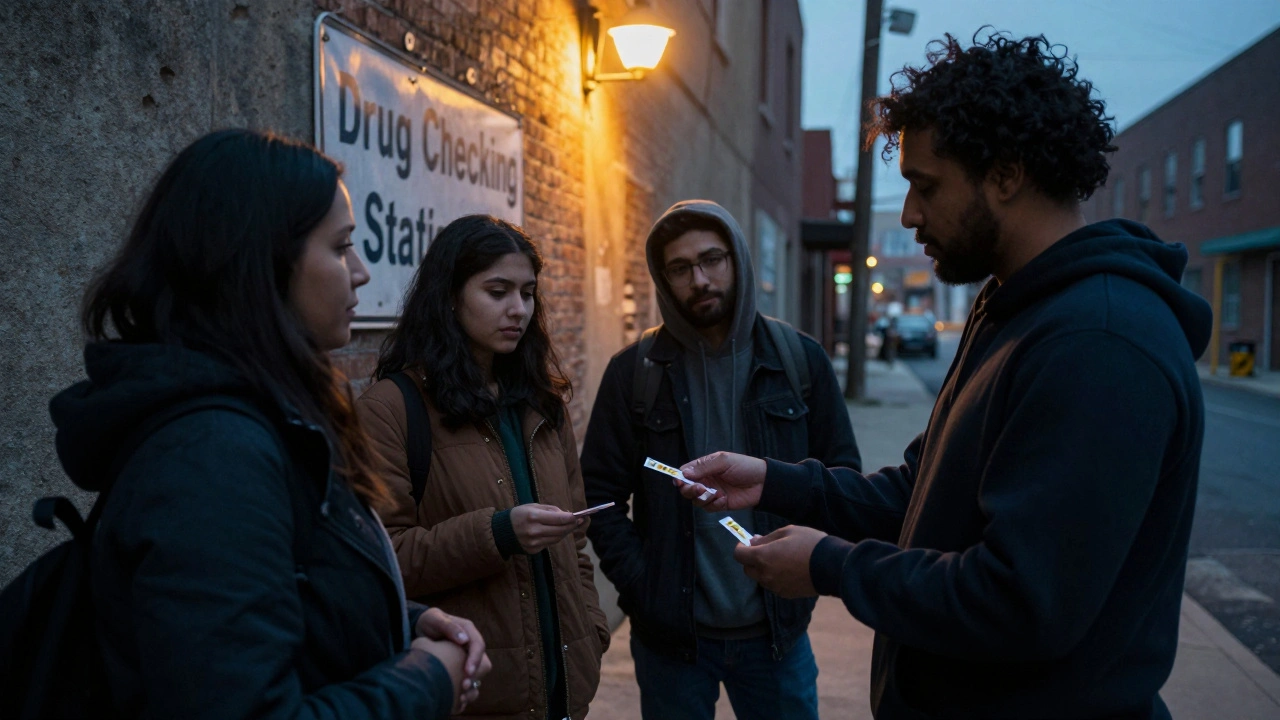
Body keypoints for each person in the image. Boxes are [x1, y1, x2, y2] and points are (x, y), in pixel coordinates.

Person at [673, 32, 1213, 720]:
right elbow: (926, 495)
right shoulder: (1014, 306)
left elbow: (1021, 602)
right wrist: (777, 482)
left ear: (1007, 174)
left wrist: (830, 565)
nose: (909, 215)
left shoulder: (1098, 343)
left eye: (926, 186)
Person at [49, 129, 490, 719]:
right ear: (260, 262)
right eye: (339, 248)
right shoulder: (212, 457)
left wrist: (399, 620)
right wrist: (430, 678)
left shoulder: (260, 418)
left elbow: (274, 599)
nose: (360, 272)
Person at [580, 200, 861, 720]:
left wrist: (807, 576)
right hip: (673, 640)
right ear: (664, 279)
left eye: (713, 260)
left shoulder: (798, 361)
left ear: (738, 261)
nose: (700, 279)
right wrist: (643, 587)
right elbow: (598, 492)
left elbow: (841, 478)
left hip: (777, 633)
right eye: (681, 268)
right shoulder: (635, 373)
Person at [356, 215, 610, 720]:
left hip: (566, 694)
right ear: (450, 297)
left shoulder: (543, 403)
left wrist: (592, 631)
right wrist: (499, 532)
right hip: (471, 694)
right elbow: (383, 561)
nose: (518, 309)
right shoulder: (391, 408)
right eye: (497, 292)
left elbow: (575, 541)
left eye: (527, 292)